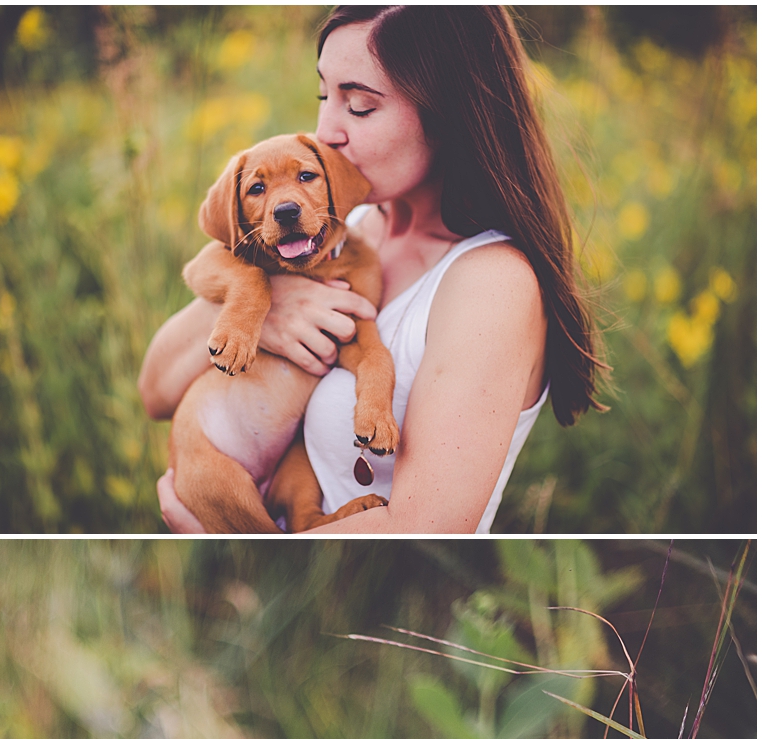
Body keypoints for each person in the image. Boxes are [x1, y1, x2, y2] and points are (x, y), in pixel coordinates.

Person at [140, 5, 606, 534]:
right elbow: (155, 390)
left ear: (451, 113)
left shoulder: (490, 284)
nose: (325, 131)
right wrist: (265, 303)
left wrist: (234, 545)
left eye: (359, 105)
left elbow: (428, 524)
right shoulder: (340, 225)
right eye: (324, 96)